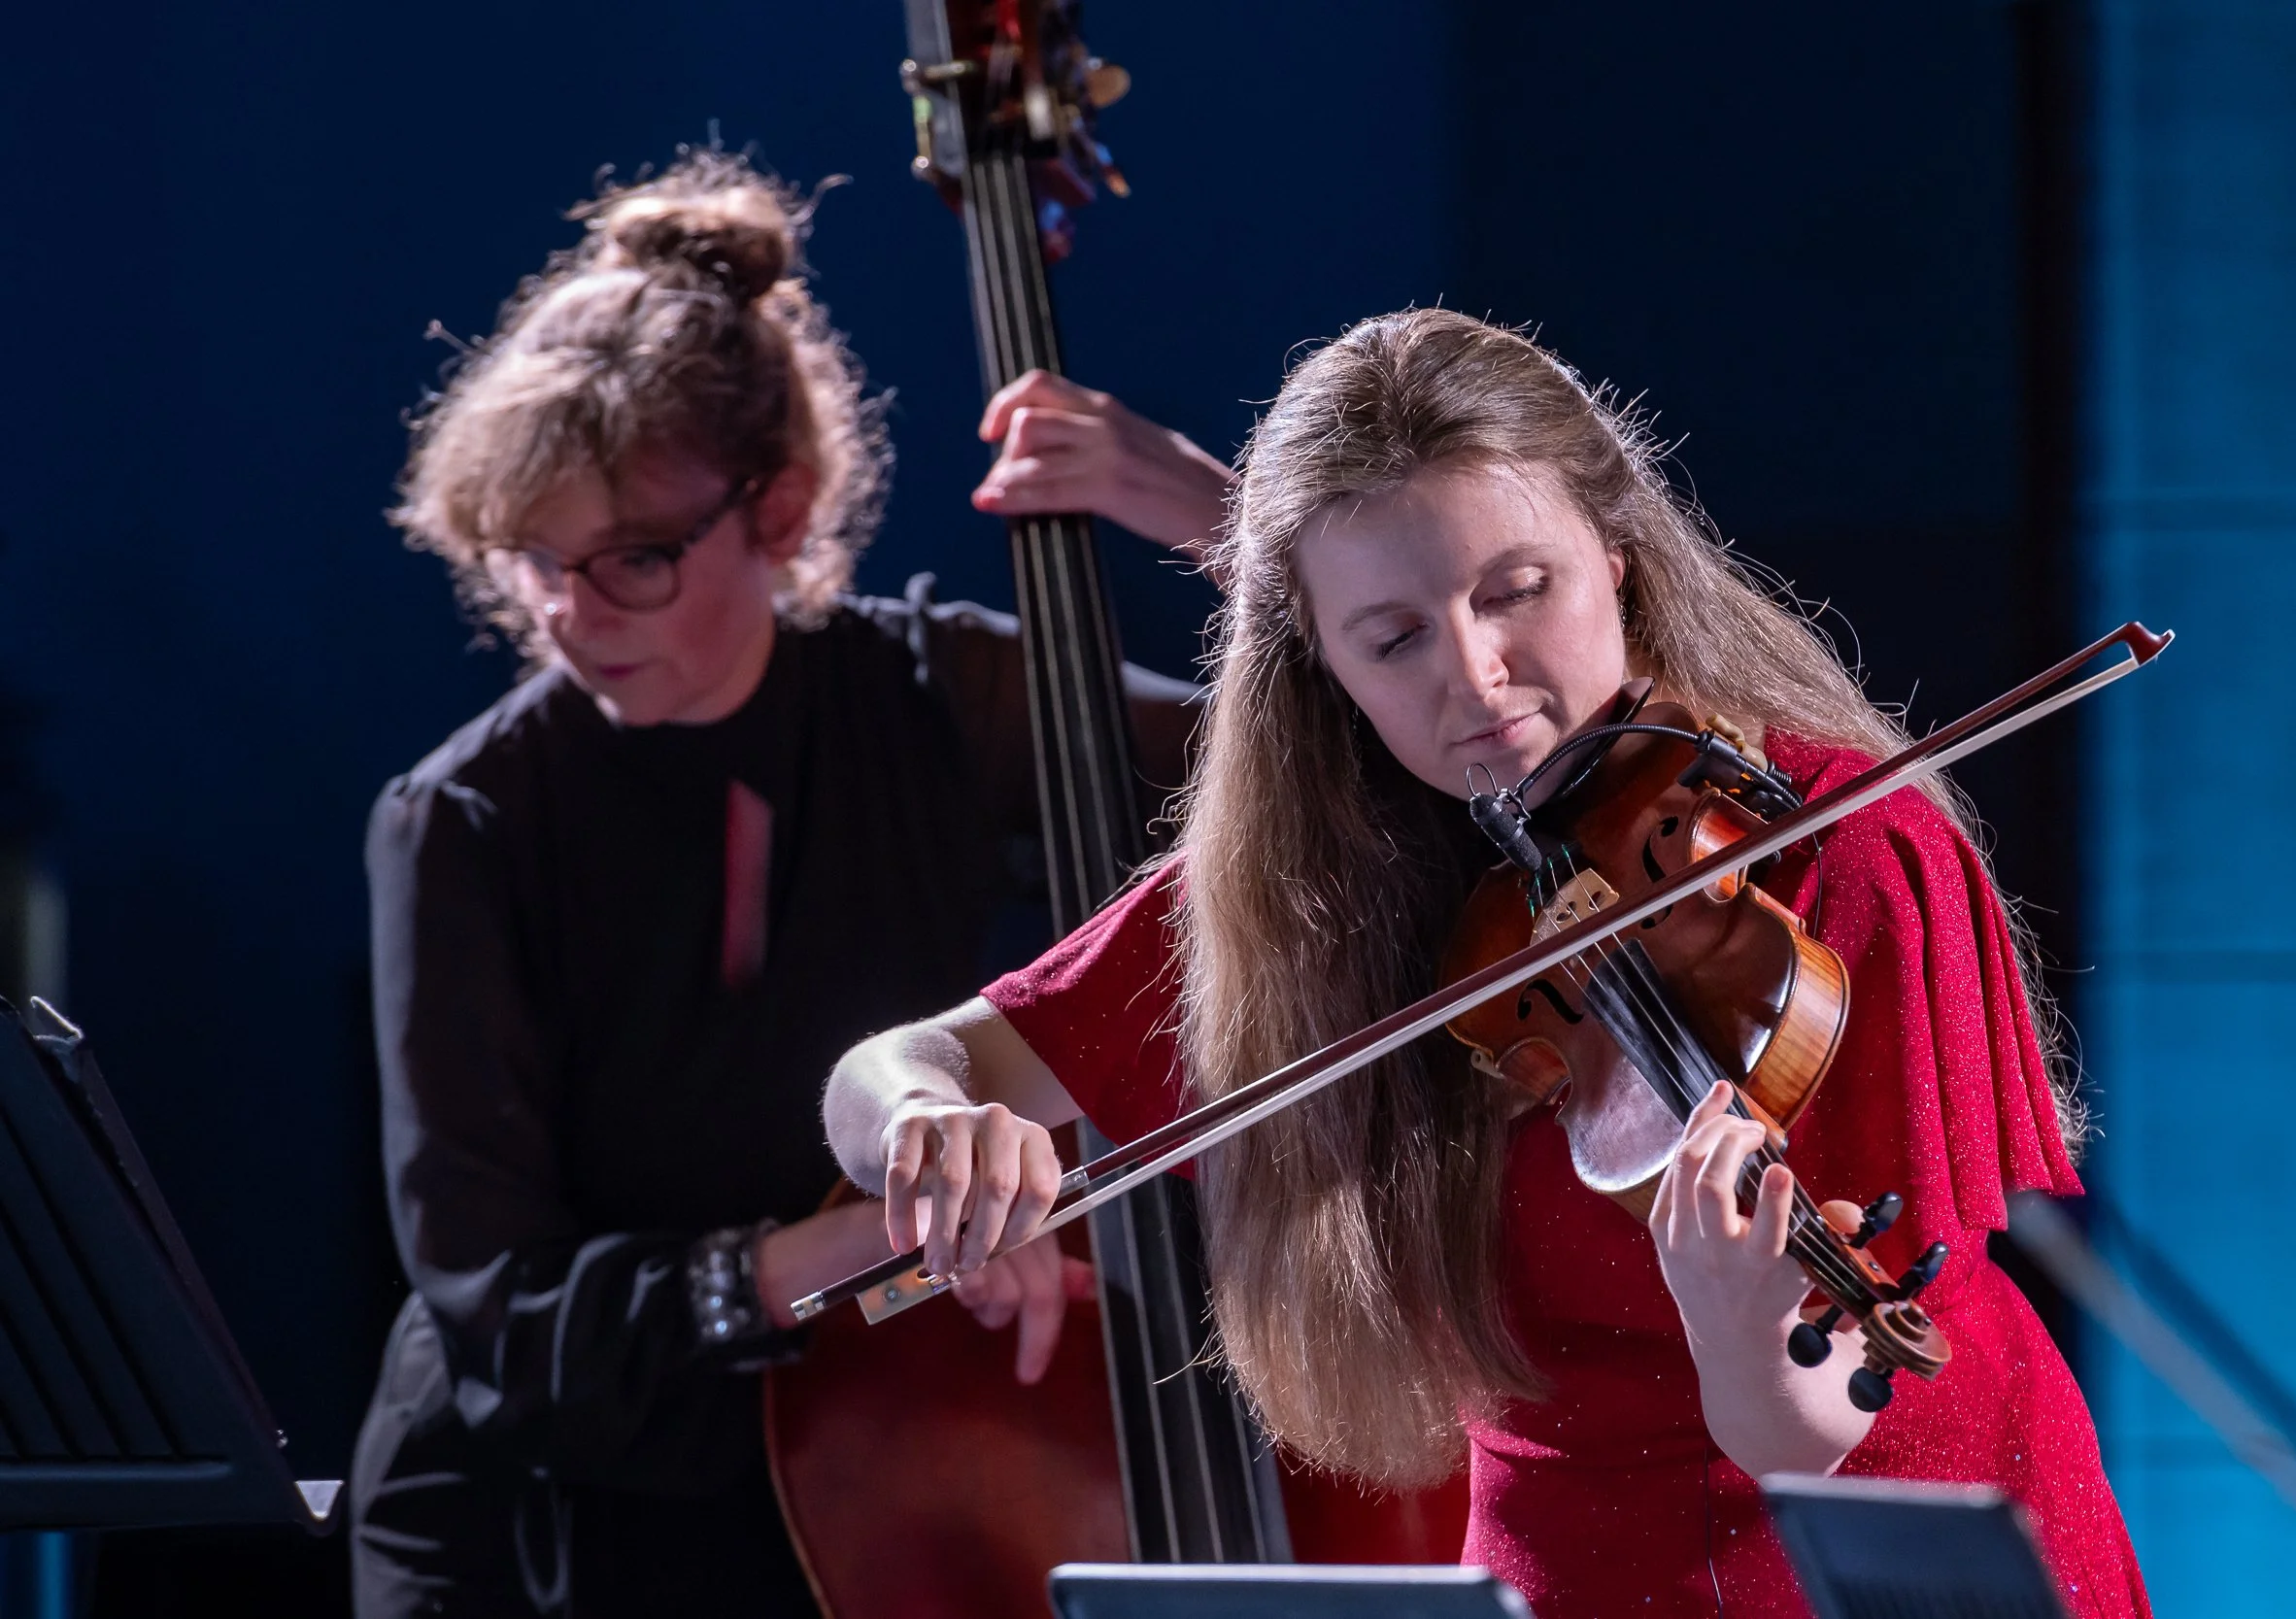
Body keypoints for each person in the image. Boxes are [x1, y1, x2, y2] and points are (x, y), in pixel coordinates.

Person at [824, 308, 2152, 1618]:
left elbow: (1815, 1433)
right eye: (1394, 638)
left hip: (1884, 1543)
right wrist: (926, 1122)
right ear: (1322, 659)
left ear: (1617, 551)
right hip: (1564, 1568)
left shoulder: (1842, 849)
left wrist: (1733, 1322)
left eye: (1519, 589)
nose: (1478, 678)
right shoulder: (1319, 885)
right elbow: (895, 1065)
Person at [350, 152, 1233, 1618]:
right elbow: (497, 1310)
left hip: (866, 1465)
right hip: (534, 1527)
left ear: (783, 507)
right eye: (532, 562)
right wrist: (855, 1240)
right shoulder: (464, 820)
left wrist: (1215, 511)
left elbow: (1346, 768)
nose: (570, 617)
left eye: (632, 556)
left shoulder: (935, 697)